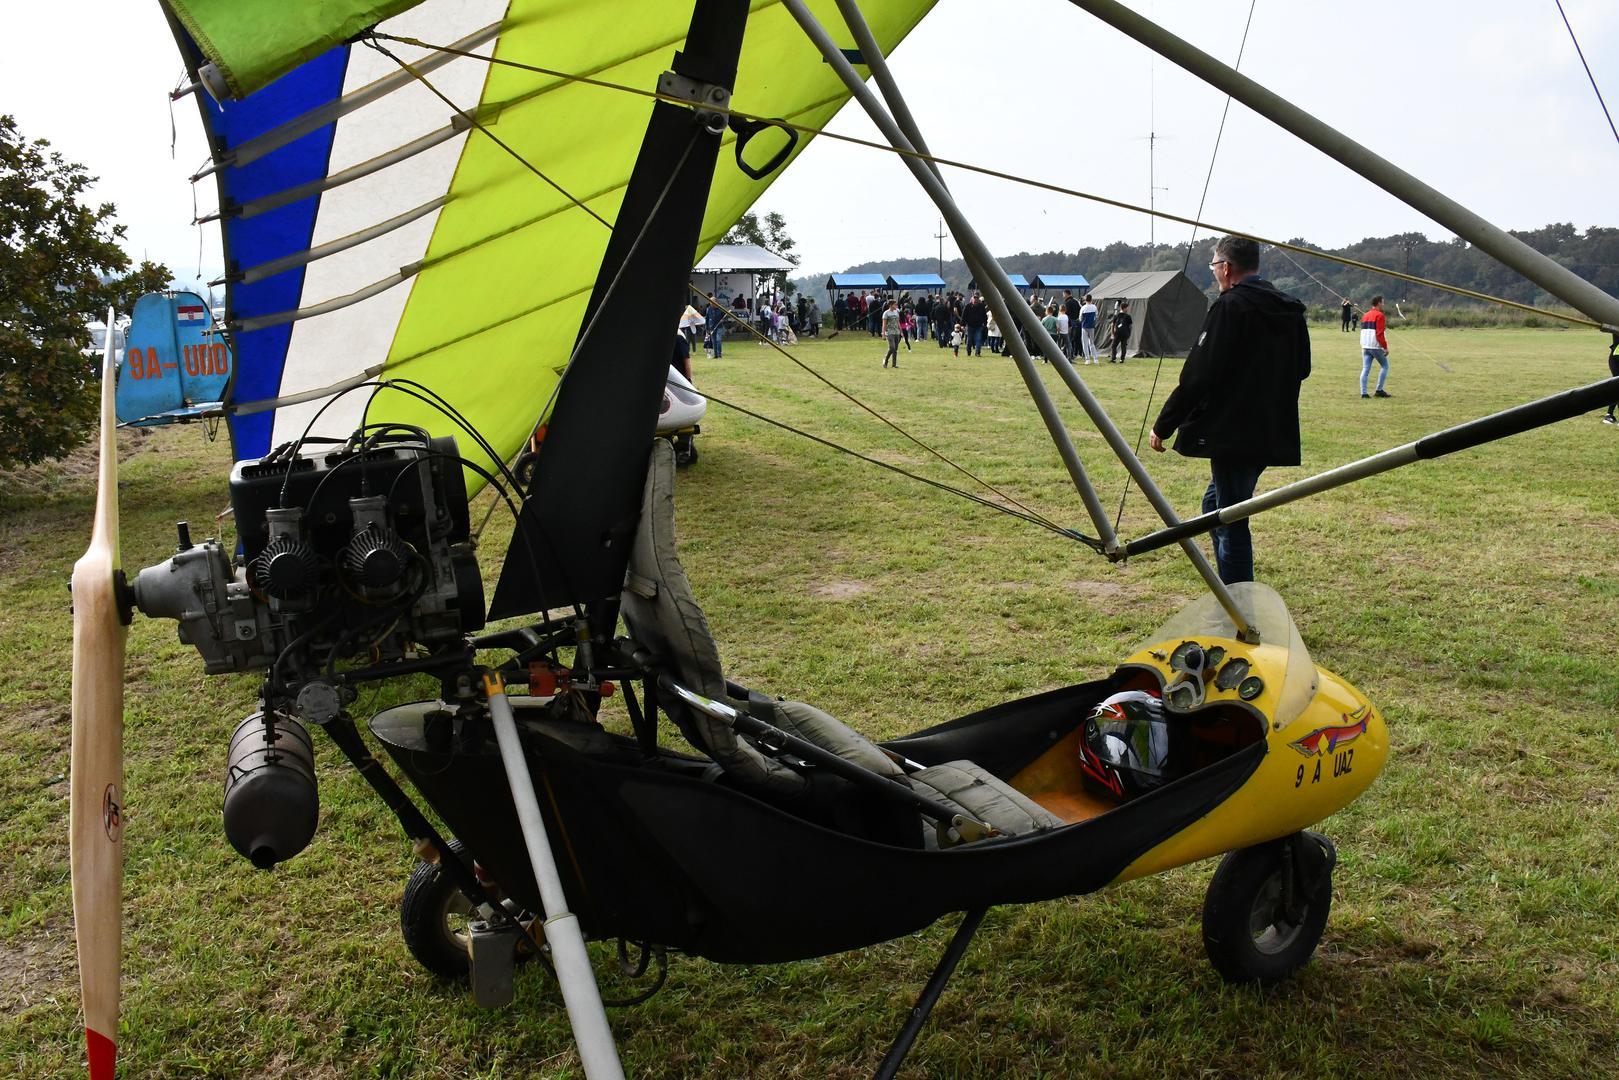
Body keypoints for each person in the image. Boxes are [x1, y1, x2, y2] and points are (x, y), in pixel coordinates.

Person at [1148, 236, 1310, 585]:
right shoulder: (1290, 308)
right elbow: (1303, 368)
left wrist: (1164, 424)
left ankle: (1239, 605)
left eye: (1214, 267)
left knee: (1230, 518)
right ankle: (1232, 590)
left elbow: (1199, 374)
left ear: (1226, 268)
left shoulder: (1230, 306)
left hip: (1235, 431)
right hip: (1271, 428)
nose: (1214, 274)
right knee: (1214, 507)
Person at [1359, 295, 1391, 398]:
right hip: (1375, 346)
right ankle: (1379, 390)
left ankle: (1364, 393)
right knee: (1385, 366)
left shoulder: (1365, 315)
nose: (1383, 304)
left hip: (1365, 345)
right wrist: (1385, 347)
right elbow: (1379, 334)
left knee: (1365, 369)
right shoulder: (1380, 315)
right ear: (1378, 303)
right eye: (1382, 302)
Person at [1078, 293, 1100, 363]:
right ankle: (1095, 358)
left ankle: (1087, 359)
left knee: (1085, 343)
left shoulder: (1083, 308)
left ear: (1085, 300)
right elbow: (1096, 316)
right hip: (1092, 326)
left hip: (1084, 326)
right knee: (1092, 343)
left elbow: (1080, 318)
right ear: (1091, 299)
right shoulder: (1094, 307)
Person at [881, 300, 902, 367]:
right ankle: (885, 360)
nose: (896, 306)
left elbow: (898, 322)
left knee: (895, 349)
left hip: (897, 332)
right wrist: (883, 334)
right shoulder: (886, 313)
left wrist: (901, 331)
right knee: (892, 347)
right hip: (890, 332)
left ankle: (894, 364)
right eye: (895, 304)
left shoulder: (896, 312)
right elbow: (884, 325)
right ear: (891, 305)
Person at [1062, 290, 1082, 359]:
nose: (1063, 296)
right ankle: (1076, 353)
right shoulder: (1076, 301)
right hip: (1077, 322)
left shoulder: (1067, 302)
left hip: (1070, 323)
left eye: (1063, 294)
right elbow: (1080, 310)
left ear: (1066, 294)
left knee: (1068, 340)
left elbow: (1066, 313)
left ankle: (1067, 354)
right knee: (1075, 339)